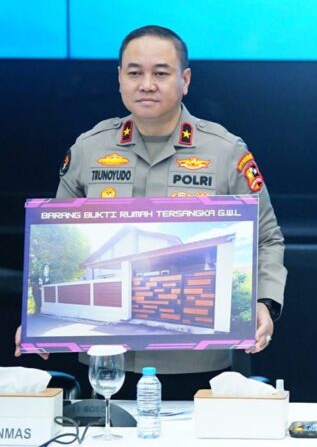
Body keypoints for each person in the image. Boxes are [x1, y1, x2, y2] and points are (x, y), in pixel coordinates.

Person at [14, 25, 286, 398]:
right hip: (108, 363)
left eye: (160, 73)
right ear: (119, 79)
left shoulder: (225, 152)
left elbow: (267, 237)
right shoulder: (89, 150)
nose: (146, 84)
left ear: (184, 80)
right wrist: (33, 322)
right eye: (135, 73)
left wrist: (263, 302)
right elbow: (53, 234)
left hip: (199, 363)